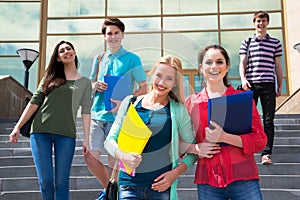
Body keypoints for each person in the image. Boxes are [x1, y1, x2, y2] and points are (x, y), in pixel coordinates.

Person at [104, 55, 198, 200]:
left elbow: (193, 152)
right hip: (128, 186)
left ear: (174, 84)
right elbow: (109, 140)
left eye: (169, 78)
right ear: (151, 75)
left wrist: (175, 174)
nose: (161, 82)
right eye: (158, 75)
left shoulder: (178, 111)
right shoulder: (130, 103)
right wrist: (123, 155)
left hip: (160, 188)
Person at [9, 41, 92, 200]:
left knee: (62, 182)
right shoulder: (50, 77)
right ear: (59, 58)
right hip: (40, 132)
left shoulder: (85, 82)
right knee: (46, 181)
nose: (66, 51)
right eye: (62, 51)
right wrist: (17, 127)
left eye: (69, 48)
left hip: (66, 135)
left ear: (74, 52)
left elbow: (86, 111)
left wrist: (86, 139)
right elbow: (35, 101)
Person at [185, 45, 267, 200]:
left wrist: (224, 137)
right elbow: (178, 141)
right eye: (208, 62)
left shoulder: (243, 100)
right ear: (201, 68)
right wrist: (196, 148)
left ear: (227, 67)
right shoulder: (192, 103)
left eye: (219, 62)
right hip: (208, 180)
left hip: (243, 178)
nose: (214, 66)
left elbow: (260, 140)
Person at [84, 17, 148, 200]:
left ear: (122, 35)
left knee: (114, 164)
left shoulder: (132, 58)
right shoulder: (99, 58)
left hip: (118, 118)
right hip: (97, 114)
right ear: (104, 37)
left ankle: (113, 193)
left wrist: (126, 102)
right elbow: (90, 83)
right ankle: (111, 190)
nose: (112, 36)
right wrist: (96, 85)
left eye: (116, 33)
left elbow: (144, 87)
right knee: (90, 156)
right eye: (109, 33)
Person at [239, 11, 283, 165]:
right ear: (254, 23)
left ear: (267, 23)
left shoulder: (275, 43)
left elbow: (278, 66)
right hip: (251, 84)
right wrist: (243, 79)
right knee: (246, 119)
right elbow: (242, 63)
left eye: (264, 21)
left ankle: (267, 153)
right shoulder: (247, 42)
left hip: (268, 85)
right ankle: (246, 149)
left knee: (268, 120)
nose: (261, 24)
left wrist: (280, 85)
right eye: (258, 21)